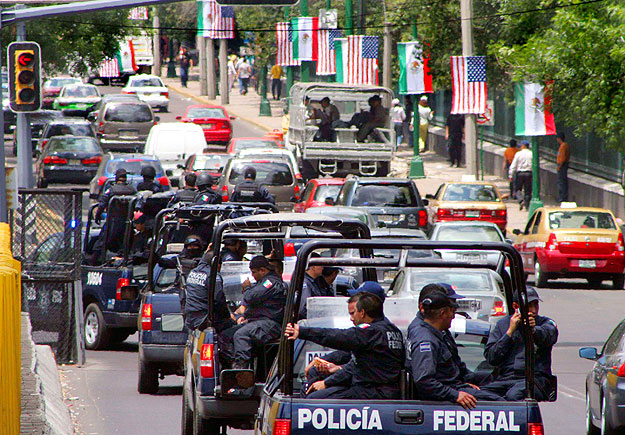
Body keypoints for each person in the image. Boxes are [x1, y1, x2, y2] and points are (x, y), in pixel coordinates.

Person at [286, 292, 404, 399]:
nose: (351, 318)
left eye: (353, 313)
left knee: (313, 399)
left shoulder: (370, 332)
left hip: (371, 392)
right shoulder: (392, 330)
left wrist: (303, 332)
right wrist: (332, 367)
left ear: (362, 313)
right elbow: (358, 362)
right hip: (379, 391)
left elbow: (339, 337)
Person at [407, 284, 503, 408]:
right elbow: (425, 381)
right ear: (442, 313)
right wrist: (456, 395)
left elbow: (455, 366)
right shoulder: (426, 339)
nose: (453, 315)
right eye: (451, 310)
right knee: (501, 403)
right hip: (445, 395)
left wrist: (465, 382)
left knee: (493, 381)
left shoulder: (438, 330)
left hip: (454, 386)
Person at [482, 287, 558, 401]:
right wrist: (509, 333)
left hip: (535, 380)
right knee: (479, 395)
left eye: (535, 305)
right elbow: (492, 357)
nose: (533, 310)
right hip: (506, 379)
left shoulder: (545, 323)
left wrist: (533, 330)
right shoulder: (503, 325)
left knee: (514, 395)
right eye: (528, 306)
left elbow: (548, 336)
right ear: (515, 306)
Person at [221, 255, 287, 368]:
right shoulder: (262, 282)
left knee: (241, 335)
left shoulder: (271, 282)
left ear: (263, 270)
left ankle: (241, 371)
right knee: (225, 336)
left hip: (270, 323)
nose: (252, 275)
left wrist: (246, 288)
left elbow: (251, 297)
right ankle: (232, 366)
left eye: (254, 272)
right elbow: (256, 304)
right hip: (257, 321)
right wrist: (243, 316)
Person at [91, 168, 137, 264]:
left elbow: (102, 203)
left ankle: (92, 263)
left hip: (112, 223)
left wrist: (97, 216)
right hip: (127, 224)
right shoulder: (132, 190)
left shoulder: (111, 190)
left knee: (100, 244)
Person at [183, 250, 234, 332]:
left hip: (190, 319)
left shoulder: (193, 272)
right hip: (204, 320)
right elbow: (219, 301)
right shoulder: (213, 276)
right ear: (217, 264)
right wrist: (229, 316)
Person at [298, 253, 324, 319]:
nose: (323, 268)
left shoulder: (314, 282)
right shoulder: (305, 283)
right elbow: (303, 309)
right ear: (313, 267)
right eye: (320, 265)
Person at [509, 140, 533, 210]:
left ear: (523, 146)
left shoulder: (518, 154)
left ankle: (521, 200)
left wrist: (511, 175)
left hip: (520, 173)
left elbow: (514, 165)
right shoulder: (531, 154)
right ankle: (527, 205)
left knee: (517, 189)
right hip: (529, 173)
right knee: (528, 190)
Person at [556, 132, 570, 203]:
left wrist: (559, 166)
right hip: (563, 165)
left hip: (562, 166)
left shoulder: (563, 146)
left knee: (561, 182)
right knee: (562, 182)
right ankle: (562, 196)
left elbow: (563, 158)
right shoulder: (563, 146)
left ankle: (563, 197)